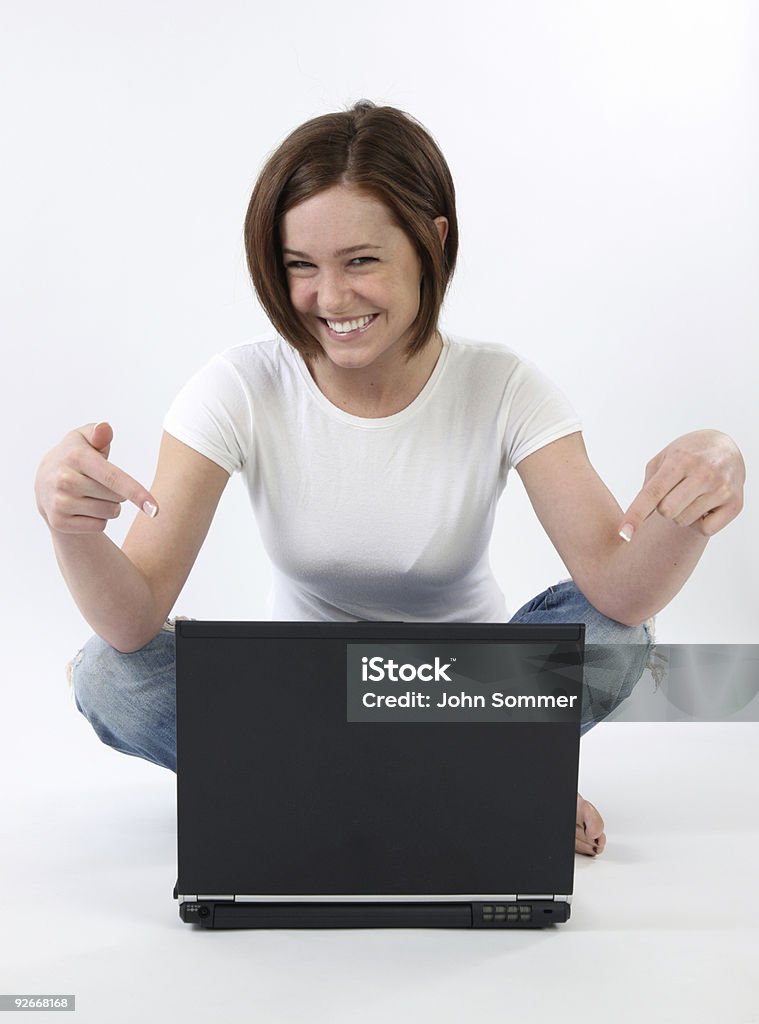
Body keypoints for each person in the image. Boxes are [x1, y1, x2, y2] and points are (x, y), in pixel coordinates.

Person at [35, 101, 745, 859]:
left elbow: (619, 593)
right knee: (111, 676)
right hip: (300, 703)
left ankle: (397, 774)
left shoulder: (503, 385)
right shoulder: (237, 386)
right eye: (300, 266)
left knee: (616, 637)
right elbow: (133, 620)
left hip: (469, 696)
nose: (330, 299)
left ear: (431, 241)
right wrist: (70, 528)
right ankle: (470, 779)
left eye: (361, 260)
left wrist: (707, 474)